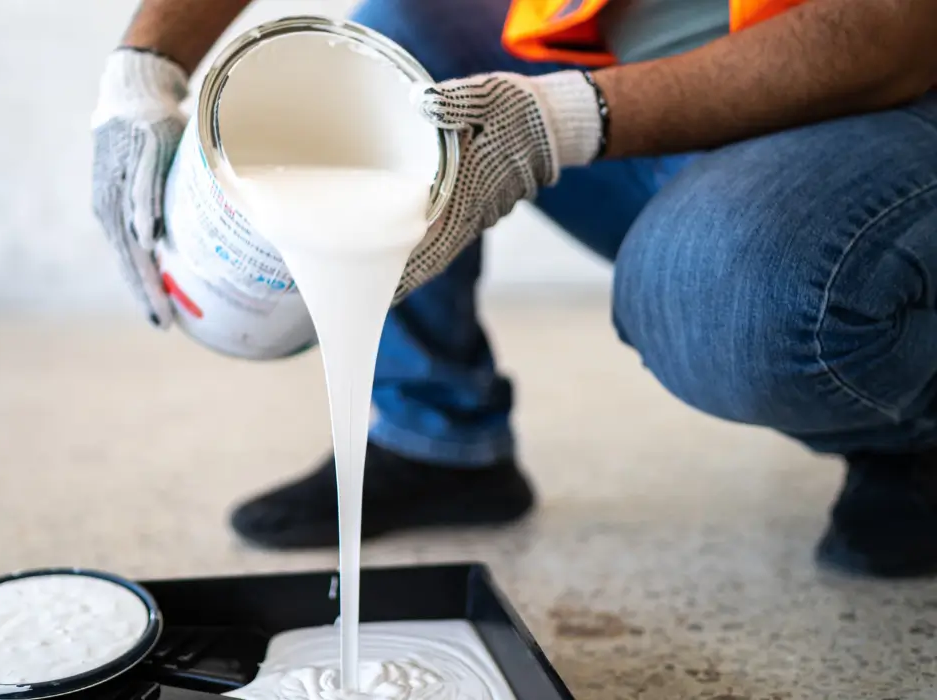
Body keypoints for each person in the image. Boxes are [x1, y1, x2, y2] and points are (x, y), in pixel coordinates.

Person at [92, 0, 937, 579]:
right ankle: (439, 442)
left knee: (736, 293)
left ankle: (914, 443)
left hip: (886, 98)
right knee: (392, 43)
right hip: (661, 68)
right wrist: (143, 65)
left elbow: (893, 31)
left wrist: (552, 122)